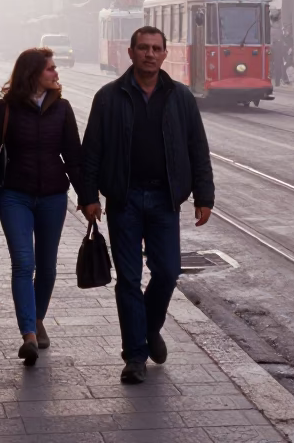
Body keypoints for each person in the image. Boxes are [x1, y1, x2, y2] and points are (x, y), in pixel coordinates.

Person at [80, 26, 214, 385]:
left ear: (165, 54)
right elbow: (91, 151)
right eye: (143, 48)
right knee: (128, 279)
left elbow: (197, 148)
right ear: (131, 52)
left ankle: (149, 328)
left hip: (165, 199)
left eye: (156, 49)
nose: (149, 54)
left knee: (168, 272)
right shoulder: (108, 97)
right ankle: (135, 356)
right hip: (124, 199)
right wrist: (89, 197)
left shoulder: (180, 97)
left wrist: (205, 196)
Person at [0, 48, 82, 365]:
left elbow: (74, 157)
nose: (56, 73)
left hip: (53, 195)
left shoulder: (62, 109)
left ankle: (37, 318)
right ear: (33, 73)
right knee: (24, 263)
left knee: (47, 266)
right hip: (15, 195)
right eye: (50, 68)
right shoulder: (5, 109)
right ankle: (29, 335)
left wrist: (88, 198)